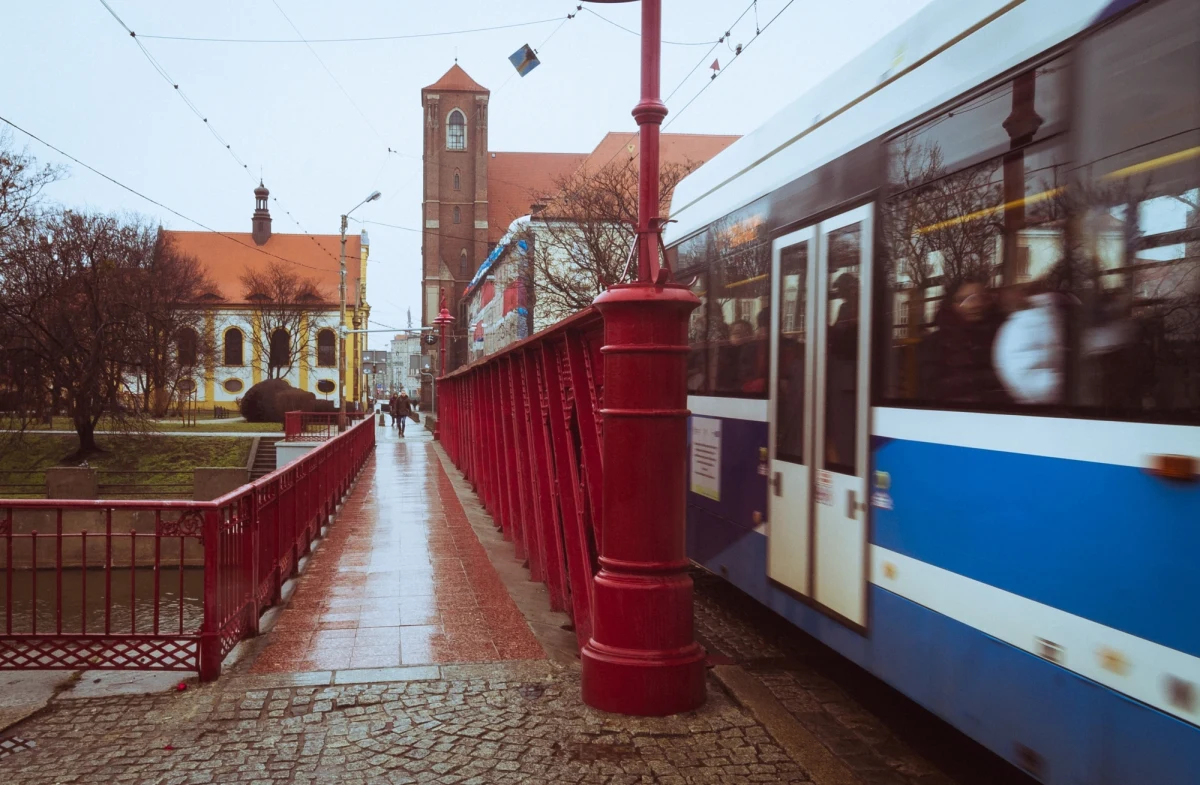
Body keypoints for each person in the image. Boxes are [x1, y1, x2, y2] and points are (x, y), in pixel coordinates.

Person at [918, 276, 1007, 404]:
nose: (976, 304)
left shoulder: (1002, 335)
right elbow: (930, 391)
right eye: (965, 299)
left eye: (981, 298)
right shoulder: (934, 344)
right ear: (952, 304)